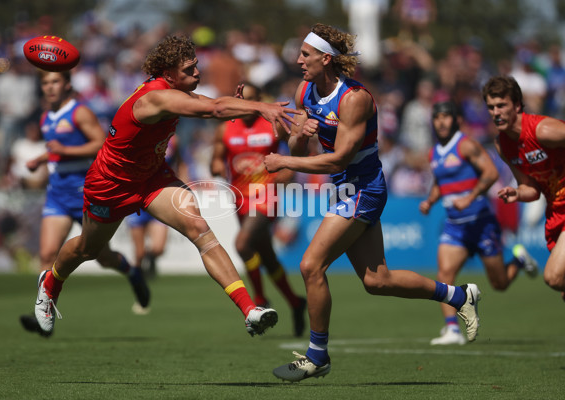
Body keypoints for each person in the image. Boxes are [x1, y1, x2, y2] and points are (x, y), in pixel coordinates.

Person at [32, 35, 301, 338]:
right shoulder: (156, 98)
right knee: (87, 249)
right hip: (112, 183)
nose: (197, 73)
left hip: (152, 177)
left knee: (199, 228)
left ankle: (250, 310)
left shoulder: (176, 90)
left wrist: (246, 105)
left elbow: (213, 104)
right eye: (189, 70)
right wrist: (260, 106)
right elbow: (213, 111)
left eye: (196, 66)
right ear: (168, 74)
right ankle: (50, 285)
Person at [263, 23, 481, 382]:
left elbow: (338, 160)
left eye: (305, 54)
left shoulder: (355, 99)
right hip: (344, 188)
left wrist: (285, 162)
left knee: (310, 266)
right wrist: (299, 137)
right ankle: (459, 296)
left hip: (363, 188)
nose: (298, 60)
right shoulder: (306, 92)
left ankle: (317, 355)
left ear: (326, 59)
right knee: (377, 280)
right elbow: (299, 146)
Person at [20, 70, 150, 336]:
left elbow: (102, 144)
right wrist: (41, 160)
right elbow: (57, 148)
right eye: (45, 83)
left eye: (55, 81)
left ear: (67, 84)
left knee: (102, 258)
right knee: (47, 255)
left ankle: (132, 272)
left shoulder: (80, 112)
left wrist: (63, 152)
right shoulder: (46, 117)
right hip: (57, 193)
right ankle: (45, 314)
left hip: (85, 193)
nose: (50, 87)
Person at [420, 100, 538, 345]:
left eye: (446, 116)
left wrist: (470, 197)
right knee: (445, 275)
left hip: (481, 223)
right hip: (455, 226)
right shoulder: (433, 153)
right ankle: (452, 329)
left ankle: (518, 260)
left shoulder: (466, 145)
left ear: (457, 120)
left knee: (500, 283)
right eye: (437, 117)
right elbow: (439, 184)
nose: (441, 121)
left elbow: (491, 174)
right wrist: (430, 201)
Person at [210, 82, 307, 337]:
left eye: (253, 100)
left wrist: (289, 170)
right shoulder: (225, 129)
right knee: (266, 256)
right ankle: (296, 303)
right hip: (240, 198)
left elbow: (299, 149)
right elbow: (216, 160)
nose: (248, 107)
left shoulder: (273, 125)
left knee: (242, 245)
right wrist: (218, 166)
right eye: (244, 100)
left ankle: (260, 299)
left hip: (267, 196)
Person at [483, 75, 565, 301]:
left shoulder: (543, 130)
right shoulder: (503, 144)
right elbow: (531, 189)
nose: (495, 112)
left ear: (517, 106)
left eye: (501, 105)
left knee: (554, 277)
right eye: (491, 107)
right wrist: (518, 193)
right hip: (556, 213)